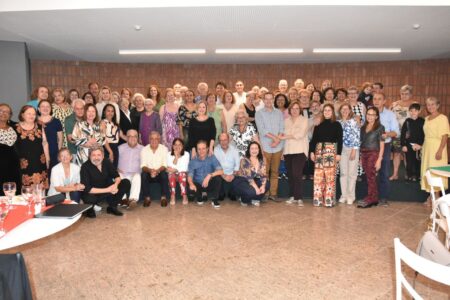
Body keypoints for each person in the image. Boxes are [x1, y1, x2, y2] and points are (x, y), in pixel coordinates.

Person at [80, 146, 130, 218]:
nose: (96, 158)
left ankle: (112, 207)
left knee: (126, 182)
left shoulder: (106, 162)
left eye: (98, 155)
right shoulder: (85, 167)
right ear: (89, 156)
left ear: (103, 156)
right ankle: (89, 209)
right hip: (93, 193)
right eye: (93, 155)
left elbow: (117, 176)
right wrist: (109, 189)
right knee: (89, 198)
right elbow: (88, 189)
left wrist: (115, 185)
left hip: (106, 189)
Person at [310, 104, 343, 207]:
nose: (327, 112)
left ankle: (328, 200)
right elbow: (314, 140)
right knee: (318, 176)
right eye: (325, 110)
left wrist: (339, 154)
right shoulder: (318, 125)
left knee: (329, 176)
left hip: (331, 151)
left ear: (332, 112)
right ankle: (317, 199)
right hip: (319, 151)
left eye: (329, 110)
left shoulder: (337, 124)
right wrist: (312, 152)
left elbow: (340, 140)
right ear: (322, 112)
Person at [255, 92, 284, 202]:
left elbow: (282, 128)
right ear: (263, 100)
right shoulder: (259, 113)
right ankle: (265, 193)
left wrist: (277, 141)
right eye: (266, 99)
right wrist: (275, 138)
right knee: (265, 172)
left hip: (277, 147)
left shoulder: (279, 113)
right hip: (265, 147)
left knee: (275, 171)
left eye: (270, 99)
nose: (268, 101)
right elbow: (262, 130)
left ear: (273, 100)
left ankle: (273, 193)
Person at [420, 97, 449, 202]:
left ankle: (436, 195)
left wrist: (440, 150)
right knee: (428, 170)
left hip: (437, 147)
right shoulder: (427, 118)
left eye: (433, 104)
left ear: (437, 105)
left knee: (436, 171)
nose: (430, 106)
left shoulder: (442, 118)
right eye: (428, 104)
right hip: (427, 147)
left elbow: (445, 135)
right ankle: (431, 194)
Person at [373, 92, 400, 206]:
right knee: (371, 172)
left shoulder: (390, 115)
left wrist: (386, 134)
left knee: (384, 172)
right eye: (375, 99)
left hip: (385, 145)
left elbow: (396, 132)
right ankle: (372, 196)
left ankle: (383, 198)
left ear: (384, 101)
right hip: (371, 146)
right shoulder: (369, 113)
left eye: (379, 99)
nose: (376, 101)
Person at [280, 102, 309, 206]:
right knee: (291, 175)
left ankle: (299, 197)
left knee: (297, 174)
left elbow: (300, 134)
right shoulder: (285, 121)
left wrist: (285, 136)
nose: (295, 110)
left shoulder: (305, 120)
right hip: (288, 151)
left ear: (300, 110)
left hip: (300, 150)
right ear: (289, 110)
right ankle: (292, 196)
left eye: (297, 108)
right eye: (293, 108)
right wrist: (282, 151)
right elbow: (282, 136)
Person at [15, 105, 50, 188]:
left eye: (34, 114)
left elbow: (45, 143)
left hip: (39, 162)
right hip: (24, 164)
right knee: (26, 190)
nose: (32, 116)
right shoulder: (15, 127)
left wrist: (48, 159)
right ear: (22, 115)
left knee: (40, 190)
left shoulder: (40, 126)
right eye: (29, 114)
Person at [357, 107, 385, 208]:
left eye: (372, 114)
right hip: (364, 153)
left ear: (376, 116)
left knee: (371, 177)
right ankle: (373, 197)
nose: (370, 116)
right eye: (368, 114)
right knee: (369, 177)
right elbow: (362, 142)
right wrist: (360, 157)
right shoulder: (363, 127)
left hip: (373, 153)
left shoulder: (380, 127)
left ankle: (372, 198)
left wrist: (379, 160)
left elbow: (382, 145)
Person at [389, 85, 416, 181]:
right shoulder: (394, 104)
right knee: (396, 153)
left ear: (411, 94)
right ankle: (395, 174)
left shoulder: (415, 104)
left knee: (407, 154)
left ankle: (408, 174)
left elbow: (416, 121)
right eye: (402, 94)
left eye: (406, 94)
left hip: (409, 135)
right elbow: (390, 117)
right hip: (397, 134)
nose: (404, 96)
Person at [187, 140, 223, 208]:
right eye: (199, 149)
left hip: (209, 184)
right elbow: (190, 175)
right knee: (189, 186)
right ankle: (199, 196)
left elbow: (221, 171)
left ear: (207, 149)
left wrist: (210, 175)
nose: (201, 151)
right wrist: (191, 184)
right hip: (198, 185)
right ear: (196, 150)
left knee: (218, 178)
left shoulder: (212, 157)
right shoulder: (193, 161)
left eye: (203, 148)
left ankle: (214, 199)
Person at [232, 141, 269, 207]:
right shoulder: (244, 160)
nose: (254, 150)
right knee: (252, 191)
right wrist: (257, 188)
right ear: (249, 150)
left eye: (256, 148)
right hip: (242, 181)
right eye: (252, 148)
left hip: (254, 180)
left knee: (267, 184)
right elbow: (249, 177)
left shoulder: (261, 160)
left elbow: (263, 174)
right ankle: (244, 200)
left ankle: (255, 199)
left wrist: (263, 186)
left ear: (259, 150)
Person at [338, 103, 360, 205]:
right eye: (343, 109)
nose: (345, 110)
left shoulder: (354, 122)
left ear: (350, 110)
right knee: (343, 173)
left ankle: (351, 196)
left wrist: (354, 150)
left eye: (347, 109)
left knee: (352, 173)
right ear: (340, 111)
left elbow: (357, 136)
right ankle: (344, 195)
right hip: (341, 150)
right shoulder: (338, 122)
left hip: (352, 149)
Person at [140, 131, 170, 207]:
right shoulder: (144, 149)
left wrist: (157, 171)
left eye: (156, 139)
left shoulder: (164, 149)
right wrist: (150, 171)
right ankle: (147, 198)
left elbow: (164, 165)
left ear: (159, 139)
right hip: (149, 173)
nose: (154, 141)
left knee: (164, 174)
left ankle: (163, 198)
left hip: (159, 172)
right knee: (143, 174)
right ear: (149, 139)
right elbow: (143, 166)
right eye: (152, 139)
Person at [117, 129, 143, 208]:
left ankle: (132, 200)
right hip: (122, 173)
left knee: (137, 176)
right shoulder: (120, 148)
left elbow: (146, 163)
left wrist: (141, 170)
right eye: (130, 136)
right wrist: (116, 169)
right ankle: (123, 199)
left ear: (138, 138)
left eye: (135, 136)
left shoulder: (143, 149)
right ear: (126, 138)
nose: (133, 138)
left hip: (135, 174)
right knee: (117, 175)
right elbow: (113, 162)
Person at [400, 103, 425, 182]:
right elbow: (403, 134)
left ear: (419, 111)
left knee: (418, 161)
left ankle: (417, 175)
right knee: (409, 161)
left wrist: (420, 145)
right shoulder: (407, 121)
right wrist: (403, 145)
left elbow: (424, 134)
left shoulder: (422, 121)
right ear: (409, 111)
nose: (413, 112)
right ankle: (409, 174)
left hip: (419, 145)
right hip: (409, 145)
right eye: (411, 111)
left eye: (415, 111)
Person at [0, 104, 20, 195]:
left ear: (10, 115)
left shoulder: (14, 126)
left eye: (7, 112)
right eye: (1, 110)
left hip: (14, 164)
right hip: (1, 164)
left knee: (14, 188)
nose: (3, 113)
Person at [38, 100, 63, 171]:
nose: (45, 108)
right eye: (43, 106)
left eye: (47, 106)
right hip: (38, 152)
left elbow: (60, 139)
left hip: (53, 152)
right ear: (39, 109)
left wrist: (58, 151)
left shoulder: (56, 121)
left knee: (52, 173)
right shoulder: (35, 121)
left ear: (51, 109)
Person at [214, 133, 240, 201]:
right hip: (221, 174)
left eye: (225, 140)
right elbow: (216, 165)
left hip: (232, 174)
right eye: (221, 140)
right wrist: (223, 176)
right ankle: (221, 193)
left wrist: (233, 175)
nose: (223, 142)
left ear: (228, 140)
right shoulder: (216, 150)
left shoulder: (234, 150)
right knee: (217, 179)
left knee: (239, 178)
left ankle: (232, 193)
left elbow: (237, 165)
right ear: (219, 141)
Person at [167, 138, 190, 205]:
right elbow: (169, 168)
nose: (177, 147)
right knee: (171, 174)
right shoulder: (168, 154)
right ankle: (172, 196)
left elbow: (184, 168)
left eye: (179, 145)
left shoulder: (186, 154)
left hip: (183, 175)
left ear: (182, 146)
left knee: (181, 174)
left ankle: (184, 195)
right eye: (175, 145)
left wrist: (176, 170)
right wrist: (176, 157)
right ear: (173, 146)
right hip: (173, 175)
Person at [101, 104, 120, 168]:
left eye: (112, 111)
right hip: (107, 148)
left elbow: (122, 135)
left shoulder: (115, 123)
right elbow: (103, 138)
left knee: (114, 169)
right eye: (108, 111)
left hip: (115, 148)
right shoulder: (102, 122)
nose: (110, 113)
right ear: (104, 112)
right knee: (107, 169)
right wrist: (110, 152)